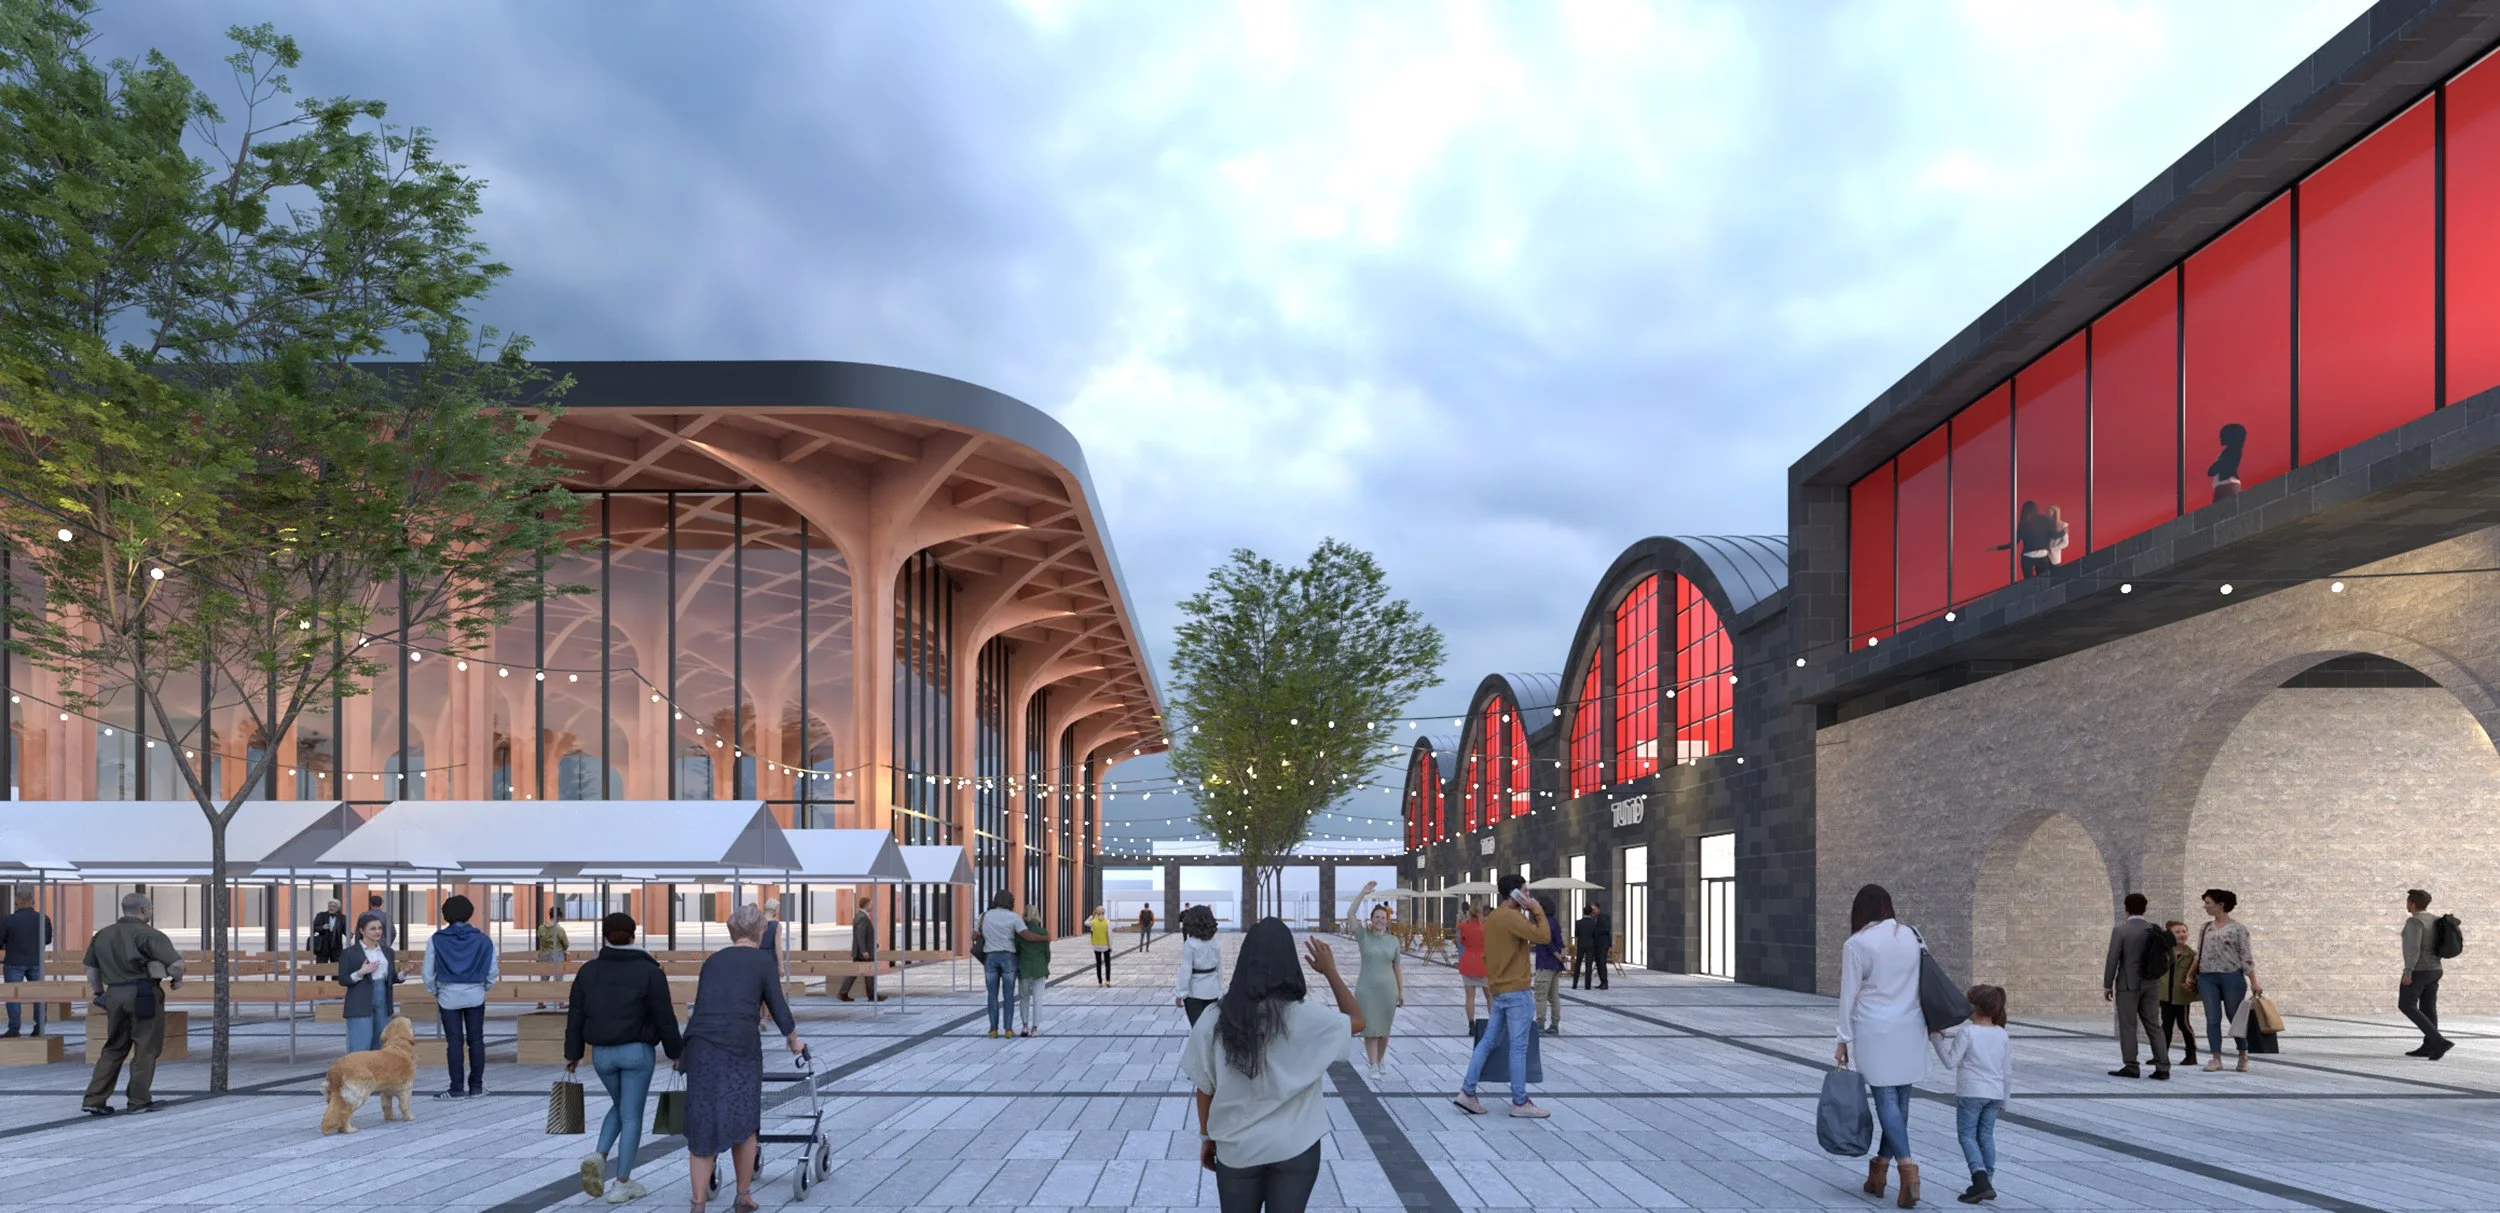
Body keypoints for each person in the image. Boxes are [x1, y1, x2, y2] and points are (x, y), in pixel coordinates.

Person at [1182, 919, 1364, 1213]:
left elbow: (1205, 1089)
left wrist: (1207, 1137)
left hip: (1237, 1148)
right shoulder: (1307, 1017)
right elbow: (1358, 1020)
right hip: (1297, 1147)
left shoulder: (1215, 1019)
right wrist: (1330, 972)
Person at [678, 904, 803, 1212]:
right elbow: (777, 1004)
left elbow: (704, 1003)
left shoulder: (713, 961)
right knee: (744, 1120)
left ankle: (698, 1204)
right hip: (739, 1048)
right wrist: (793, 1040)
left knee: (702, 1121)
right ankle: (743, 1195)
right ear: (760, 932)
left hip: (701, 1047)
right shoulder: (762, 961)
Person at [566, 911, 685, 1206]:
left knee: (620, 1106)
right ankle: (621, 1183)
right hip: (636, 1052)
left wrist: (572, 1053)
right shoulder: (650, 972)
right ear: (634, 936)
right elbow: (664, 1017)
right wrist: (677, 1052)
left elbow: (576, 1016)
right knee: (631, 1115)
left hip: (602, 1055)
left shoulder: (587, 971)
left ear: (604, 936)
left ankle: (599, 1154)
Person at [1836, 883, 1925, 1207]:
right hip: (1912, 1026)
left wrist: (1842, 1038)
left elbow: (1849, 995)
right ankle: (1879, 1173)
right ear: (1888, 906)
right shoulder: (1913, 936)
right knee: (1900, 1103)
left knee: (1886, 1100)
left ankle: (1908, 1169)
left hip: (1875, 1028)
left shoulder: (1857, 943)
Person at [1451, 874, 1552, 1118]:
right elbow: (1543, 936)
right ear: (1514, 893)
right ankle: (1520, 1102)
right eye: (1525, 892)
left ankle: (1467, 1092)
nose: (1528, 896)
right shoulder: (1511, 917)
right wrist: (1536, 910)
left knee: (1488, 1042)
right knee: (1518, 1047)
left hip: (1499, 991)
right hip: (1516, 991)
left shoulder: (1494, 917)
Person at [80, 892, 182, 1115]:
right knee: (146, 1047)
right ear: (144, 910)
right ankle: (139, 1100)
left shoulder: (102, 935)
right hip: (143, 993)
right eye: (151, 909)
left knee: (114, 1047)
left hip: (113, 994)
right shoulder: (150, 934)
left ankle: (94, 1099)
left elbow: (91, 969)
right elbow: (176, 964)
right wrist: (177, 979)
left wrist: (99, 993)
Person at [1931, 984, 2011, 1206]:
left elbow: (1950, 1062)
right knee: (1985, 1137)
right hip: (1994, 1094)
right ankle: (1987, 1180)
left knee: (1967, 1136)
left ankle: (1980, 1178)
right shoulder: (2001, 1034)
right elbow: (2007, 1070)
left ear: (1973, 1007)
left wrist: (1936, 1039)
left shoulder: (1968, 1032)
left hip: (1971, 1092)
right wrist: (2005, 1097)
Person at [423, 894, 501, 1099]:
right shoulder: (483, 939)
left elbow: (427, 972)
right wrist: (485, 987)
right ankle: (476, 1087)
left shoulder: (437, 940)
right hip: (475, 994)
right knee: (476, 1041)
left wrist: (435, 990)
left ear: (445, 915)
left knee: (454, 1043)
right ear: (470, 913)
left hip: (448, 995)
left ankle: (456, 1088)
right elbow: (493, 970)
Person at [2101, 892, 2168, 1080]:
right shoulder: (2155, 929)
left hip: (2128, 984)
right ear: (2145, 908)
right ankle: (2163, 1066)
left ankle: (2131, 1065)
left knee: (2128, 1025)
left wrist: (2107, 985)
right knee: (2154, 1024)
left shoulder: (2121, 930)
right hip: (2152, 983)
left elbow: (2113, 958)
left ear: (2126, 908)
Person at [2194, 888, 2260, 1073]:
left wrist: (2254, 981)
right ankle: (2216, 1058)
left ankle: (2243, 1054)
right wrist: (2191, 974)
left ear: (2220, 905)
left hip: (2231, 976)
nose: (2205, 906)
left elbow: (2246, 956)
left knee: (2234, 1017)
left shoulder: (2239, 929)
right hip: (2207, 977)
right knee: (2212, 1018)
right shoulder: (2205, 927)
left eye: (2208, 902)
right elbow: (2199, 953)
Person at [1343, 882, 1403, 1082]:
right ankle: (1373, 1064)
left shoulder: (1393, 941)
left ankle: (1381, 1059)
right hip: (1367, 990)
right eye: (1376, 917)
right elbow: (1350, 914)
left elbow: (1397, 967)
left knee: (1384, 1030)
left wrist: (1401, 992)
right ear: (1371, 920)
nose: (1379, 920)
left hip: (1388, 990)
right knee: (1370, 1029)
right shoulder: (1363, 936)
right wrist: (1363, 893)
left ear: (1388, 920)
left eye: (1382, 918)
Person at [338, 916, 402, 1054]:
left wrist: (402, 975)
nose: (377, 931)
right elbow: (343, 979)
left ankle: (376, 1074)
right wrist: (360, 973)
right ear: (362, 930)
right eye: (372, 928)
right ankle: (355, 1074)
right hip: (360, 1000)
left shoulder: (387, 952)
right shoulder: (349, 953)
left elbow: (391, 976)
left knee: (380, 1043)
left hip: (383, 1000)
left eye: (379, 928)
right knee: (360, 1044)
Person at [2400, 889, 2451, 1060]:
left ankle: (2438, 1041)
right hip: (2436, 969)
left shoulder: (2414, 922)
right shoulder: (2436, 920)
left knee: (2406, 1004)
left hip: (2419, 970)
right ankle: (2429, 1046)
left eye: (2408, 901)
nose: (2407, 904)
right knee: (2428, 1007)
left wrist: (2408, 972)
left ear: (2412, 904)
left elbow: (2413, 948)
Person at [4, 887, 55, 1038]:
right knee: (39, 995)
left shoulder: (8, 920)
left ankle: (14, 1029)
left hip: (14, 961)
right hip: (36, 960)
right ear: (33, 901)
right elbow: (47, 940)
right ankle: (40, 1027)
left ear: (17, 901)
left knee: (13, 996)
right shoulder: (43, 918)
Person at [978, 890, 1024, 1038]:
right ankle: (1008, 1029)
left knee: (992, 994)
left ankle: (993, 1029)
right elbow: (1024, 933)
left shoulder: (984, 916)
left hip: (990, 957)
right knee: (1009, 994)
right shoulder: (1014, 917)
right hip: (1008, 957)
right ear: (1010, 902)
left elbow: (974, 935)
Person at [2158, 920, 2200, 1069]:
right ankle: (2161, 1056)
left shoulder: (2192, 955)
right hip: (2165, 996)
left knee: (2184, 1024)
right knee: (2165, 1025)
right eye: (2177, 932)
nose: (2182, 934)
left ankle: (2191, 1055)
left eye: (2184, 931)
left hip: (2181, 996)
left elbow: (2197, 975)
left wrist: (2192, 985)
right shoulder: (2163, 953)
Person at [1175, 904, 1223, 1025]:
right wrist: (1220, 989)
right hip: (1212, 990)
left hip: (1194, 992)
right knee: (1210, 1027)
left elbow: (1185, 970)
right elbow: (1219, 968)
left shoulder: (1190, 944)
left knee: (1197, 1028)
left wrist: (1180, 993)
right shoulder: (1216, 942)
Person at [1532, 894, 1565, 1035]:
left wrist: (1557, 955)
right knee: (1553, 996)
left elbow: (1547, 942)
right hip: (1555, 965)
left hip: (1545, 962)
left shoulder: (1544, 923)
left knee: (1540, 995)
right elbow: (1560, 941)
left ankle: (1539, 1024)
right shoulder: (1555, 922)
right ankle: (1554, 1024)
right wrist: (1561, 955)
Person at [1016, 907, 1051, 1037]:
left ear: (1024, 915)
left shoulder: (1020, 932)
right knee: (1038, 1000)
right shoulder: (1043, 932)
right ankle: (1035, 1028)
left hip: (1024, 969)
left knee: (1024, 998)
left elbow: (1017, 951)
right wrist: (1044, 965)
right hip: (1039, 969)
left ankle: (1024, 1026)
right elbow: (1047, 954)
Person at [838, 894, 878, 1002]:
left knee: (856, 973)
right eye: (870, 904)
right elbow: (860, 935)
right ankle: (871, 996)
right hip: (864, 952)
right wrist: (864, 950)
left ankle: (844, 993)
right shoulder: (862, 917)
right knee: (867, 973)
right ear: (865, 905)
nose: (872, 906)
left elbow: (864, 935)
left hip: (862, 951)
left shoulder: (861, 916)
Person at [535, 906, 573, 1010]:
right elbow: (566, 944)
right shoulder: (559, 929)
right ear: (558, 917)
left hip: (544, 955)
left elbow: (539, 938)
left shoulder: (541, 928)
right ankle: (560, 1002)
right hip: (557, 955)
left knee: (544, 979)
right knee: (558, 980)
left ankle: (540, 1002)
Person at [1456, 900, 1488, 1022]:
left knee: (1470, 997)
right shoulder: (1486, 927)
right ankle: (1493, 1023)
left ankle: (1471, 1024)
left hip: (1468, 961)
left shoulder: (1464, 926)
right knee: (1489, 996)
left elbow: (1462, 942)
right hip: (1484, 962)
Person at [1571, 902, 1610, 991]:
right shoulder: (1593, 923)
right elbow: (1595, 935)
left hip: (1581, 945)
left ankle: (1574, 984)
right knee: (1589, 965)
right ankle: (1587, 985)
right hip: (1591, 946)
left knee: (1578, 964)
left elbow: (1576, 934)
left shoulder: (1578, 922)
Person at [2209, 422, 2247, 502]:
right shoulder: (2229, 452)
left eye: (2222, 435)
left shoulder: (2232, 452)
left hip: (2226, 485)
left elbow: (2213, 470)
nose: (2220, 438)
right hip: (2223, 485)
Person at [309, 898, 345, 966]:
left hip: (336, 947)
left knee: (336, 969)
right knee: (320, 968)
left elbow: (345, 931)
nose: (331, 908)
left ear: (338, 908)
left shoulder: (342, 918)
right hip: (322, 947)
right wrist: (322, 927)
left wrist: (352, 935)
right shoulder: (321, 915)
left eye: (333, 906)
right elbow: (313, 928)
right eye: (330, 906)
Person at [1088, 905, 1115, 986]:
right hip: (1105, 946)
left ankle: (1100, 982)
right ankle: (1108, 981)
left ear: (1097, 913)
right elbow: (1109, 935)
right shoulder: (1107, 922)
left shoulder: (1093, 922)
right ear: (1104, 913)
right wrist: (1110, 946)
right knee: (1107, 964)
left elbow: (1085, 923)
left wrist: (1091, 917)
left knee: (1098, 964)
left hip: (1096, 946)